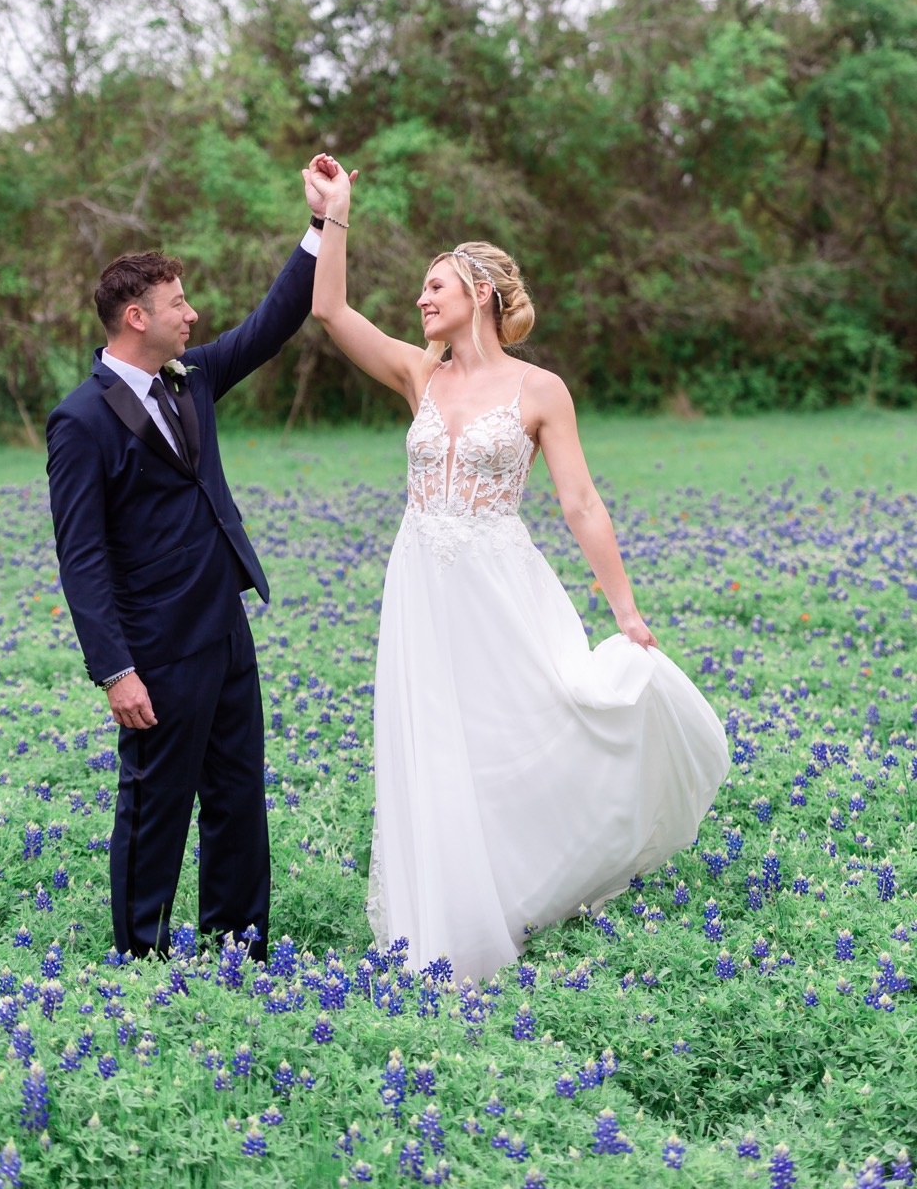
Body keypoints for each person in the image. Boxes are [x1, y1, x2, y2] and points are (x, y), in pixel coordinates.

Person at [304, 158, 730, 984]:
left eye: (436, 287)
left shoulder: (541, 390)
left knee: (526, 729)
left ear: (481, 295)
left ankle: (523, 885)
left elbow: (580, 505)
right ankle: (442, 931)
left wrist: (627, 612)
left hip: (501, 583)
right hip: (421, 583)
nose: (422, 300)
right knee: (431, 745)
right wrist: (335, 215)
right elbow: (328, 309)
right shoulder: (416, 373)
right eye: (421, 290)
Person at [46, 154, 352, 960]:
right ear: (134, 319)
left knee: (236, 798)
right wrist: (116, 670)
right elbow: (81, 558)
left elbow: (269, 323)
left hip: (223, 628)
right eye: (177, 303)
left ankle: (239, 949)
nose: (193, 314)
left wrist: (321, 225)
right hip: (154, 647)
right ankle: (141, 956)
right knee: (154, 808)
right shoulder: (80, 421)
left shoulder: (190, 379)